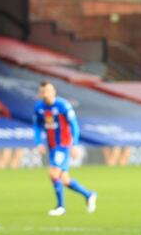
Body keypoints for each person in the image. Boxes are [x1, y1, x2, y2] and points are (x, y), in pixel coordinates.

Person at [33, 81, 97, 216]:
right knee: (65, 180)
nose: (45, 94)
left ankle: (61, 207)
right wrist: (39, 142)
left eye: (48, 91)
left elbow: (74, 125)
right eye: (43, 91)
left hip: (62, 145)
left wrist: (74, 144)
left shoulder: (62, 106)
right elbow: (37, 126)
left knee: (53, 173)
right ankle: (89, 194)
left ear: (54, 91)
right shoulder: (39, 107)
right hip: (51, 145)